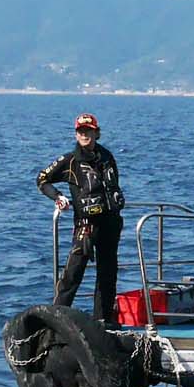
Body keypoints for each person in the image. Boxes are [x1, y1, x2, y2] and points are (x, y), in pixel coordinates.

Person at [37, 113, 126, 325]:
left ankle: (103, 319)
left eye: (89, 131)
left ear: (97, 133)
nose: (85, 135)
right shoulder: (70, 161)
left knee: (108, 273)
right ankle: (56, 319)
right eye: (81, 131)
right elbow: (42, 179)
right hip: (86, 225)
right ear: (76, 134)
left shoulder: (107, 157)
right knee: (73, 272)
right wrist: (58, 197)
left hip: (110, 222)